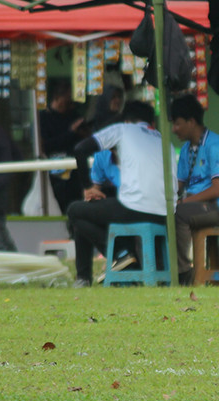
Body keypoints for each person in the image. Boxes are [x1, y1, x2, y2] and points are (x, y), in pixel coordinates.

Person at [67, 100, 169, 287]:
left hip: (134, 208)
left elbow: (80, 149)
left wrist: (88, 187)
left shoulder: (123, 130)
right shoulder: (163, 140)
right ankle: (123, 257)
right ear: (151, 124)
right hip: (164, 213)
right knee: (88, 212)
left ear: (126, 120)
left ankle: (116, 258)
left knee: (75, 210)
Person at [171, 95, 219, 286]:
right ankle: (167, 269)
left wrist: (185, 202)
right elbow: (179, 185)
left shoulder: (215, 145)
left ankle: (184, 272)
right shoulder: (186, 149)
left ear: (191, 122)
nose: (173, 129)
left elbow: (218, 189)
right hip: (197, 205)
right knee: (167, 212)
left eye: (177, 124)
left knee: (180, 214)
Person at [39, 82, 88, 213]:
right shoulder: (44, 118)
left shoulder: (73, 115)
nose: (70, 105)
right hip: (54, 170)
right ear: (58, 98)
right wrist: (70, 133)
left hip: (75, 170)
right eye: (67, 101)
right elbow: (46, 146)